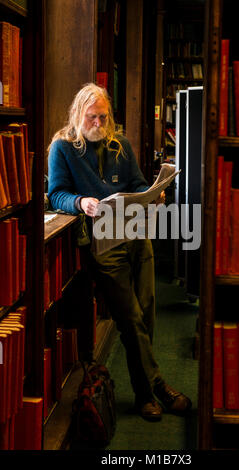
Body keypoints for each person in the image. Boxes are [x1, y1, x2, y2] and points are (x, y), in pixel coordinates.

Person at [47, 83, 191, 421]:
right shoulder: (62, 148)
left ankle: (144, 395)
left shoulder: (121, 144)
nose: (98, 123)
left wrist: (153, 193)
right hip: (103, 241)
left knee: (147, 313)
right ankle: (157, 387)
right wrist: (81, 201)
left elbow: (137, 184)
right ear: (78, 114)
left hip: (136, 233)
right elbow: (56, 195)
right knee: (130, 317)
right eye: (92, 117)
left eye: (104, 117)